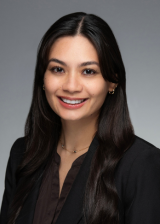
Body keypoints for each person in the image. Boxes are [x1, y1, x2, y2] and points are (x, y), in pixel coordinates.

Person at [0, 12, 160, 224]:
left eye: (88, 71)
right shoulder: (22, 153)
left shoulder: (142, 165)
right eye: (58, 69)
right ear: (43, 78)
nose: (71, 86)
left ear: (112, 81)